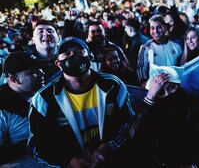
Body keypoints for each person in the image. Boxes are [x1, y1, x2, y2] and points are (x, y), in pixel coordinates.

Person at [28, 37, 135, 167]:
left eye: (80, 51)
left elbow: (127, 122)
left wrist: (107, 147)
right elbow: (37, 144)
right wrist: (69, 161)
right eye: (67, 54)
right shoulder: (44, 99)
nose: (74, 56)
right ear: (58, 64)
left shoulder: (113, 86)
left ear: (90, 57)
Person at [133, 72, 199, 167]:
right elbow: (138, 140)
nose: (167, 94)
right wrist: (149, 97)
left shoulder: (198, 107)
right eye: (161, 92)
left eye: (171, 88)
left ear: (179, 85)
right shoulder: (152, 113)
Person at [0, 52, 45, 165]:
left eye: (40, 69)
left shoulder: (45, 96)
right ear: (15, 79)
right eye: (33, 72)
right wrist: (36, 143)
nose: (41, 73)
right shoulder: (3, 108)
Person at [137, 15, 182, 87]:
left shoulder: (177, 45)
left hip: (176, 87)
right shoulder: (146, 48)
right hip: (158, 91)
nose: (155, 31)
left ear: (165, 27)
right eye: (152, 28)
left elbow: (182, 66)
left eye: (159, 27)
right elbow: (141, 75)